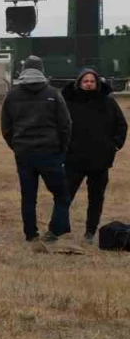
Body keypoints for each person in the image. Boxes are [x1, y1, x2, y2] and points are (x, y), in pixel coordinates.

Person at [1, 56, 72, 247]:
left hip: (24, 153)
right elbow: (65, 125)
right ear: (42, 69)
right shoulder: (53, 94)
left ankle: (31, 234)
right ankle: (55, 230)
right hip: (50, 152)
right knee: (62, 195)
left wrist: (16, 146)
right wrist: (61, 149)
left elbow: (6, 127)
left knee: (28, 196)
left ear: (23, 70)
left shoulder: (12, 95)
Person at [62, 68, 127, 243]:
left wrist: (114, 145)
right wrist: (64, 148)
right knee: (65, 196)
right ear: (79, 83)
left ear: (97, 83)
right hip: (74, 159)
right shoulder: (69, 103)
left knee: (96, 198)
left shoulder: (108, 102)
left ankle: (90, 232)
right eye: (85, 81)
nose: (89, 84)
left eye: (92, 81)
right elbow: (60, 127)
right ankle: (62, 229)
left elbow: (121, 125)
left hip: (100, 159)